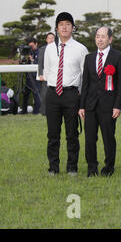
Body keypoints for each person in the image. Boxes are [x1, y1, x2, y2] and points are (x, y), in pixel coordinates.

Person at [44, 12, 88, 176]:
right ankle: (53, 167)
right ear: (56, 28)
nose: (64, 27)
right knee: (53, 134)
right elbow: (47, 71)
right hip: (53, 93)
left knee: (72, 133)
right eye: (61, 24)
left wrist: (80, 99)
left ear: (73, 28)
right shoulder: (49, 49)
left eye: (68, 24)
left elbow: (85, 76)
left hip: (71, 94)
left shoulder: (80, 49)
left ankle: (72, 167)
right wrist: (55, 86)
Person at [79, 27, 121, 177]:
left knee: (108, 138)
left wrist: (118, 105)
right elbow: (85, 83)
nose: (100, 39)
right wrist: (82, 106)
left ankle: (108, 168)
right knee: (90, 139)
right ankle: (92, 168)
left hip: (109, 105)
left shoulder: (118, 57)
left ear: (110, 39)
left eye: (103, 36)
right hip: (90, 105)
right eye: (97, 36)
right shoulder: (89, 57)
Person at [20, 37, 41, 114]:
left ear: (36, 44)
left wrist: (32, 60)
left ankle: (36, 111)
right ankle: (24, 111)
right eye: (30, 46)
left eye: (32, 46)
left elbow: (40, 63)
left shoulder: (40, 52)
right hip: (29, 77)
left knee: (36, 94)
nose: (31, 48)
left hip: (35, 76)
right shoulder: (29, 52)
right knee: (25, 94)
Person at [37, 32, 55, 115]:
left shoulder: (58, 48)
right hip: (45, 73)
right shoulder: (43, 49)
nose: (51, 40)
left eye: (52, 38)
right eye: (49, 38)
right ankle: (44, 111)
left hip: (55, 73)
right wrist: (40, 74)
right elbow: (40, 62)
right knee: (45, 93)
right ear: (46, 40)